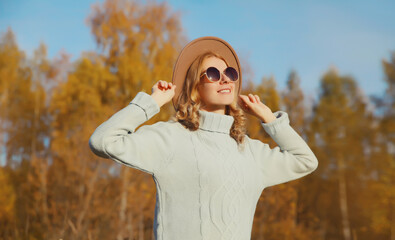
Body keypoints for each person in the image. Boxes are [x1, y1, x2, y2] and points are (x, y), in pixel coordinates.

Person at [89, 36, 318, 240]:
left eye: (230, 74)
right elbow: (103, 141)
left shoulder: (250, 152)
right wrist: (152, 102)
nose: (225, 80)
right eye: (213, 74)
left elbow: (306, 161)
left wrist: (269, 118)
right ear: (194, 89)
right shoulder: (171, 138)